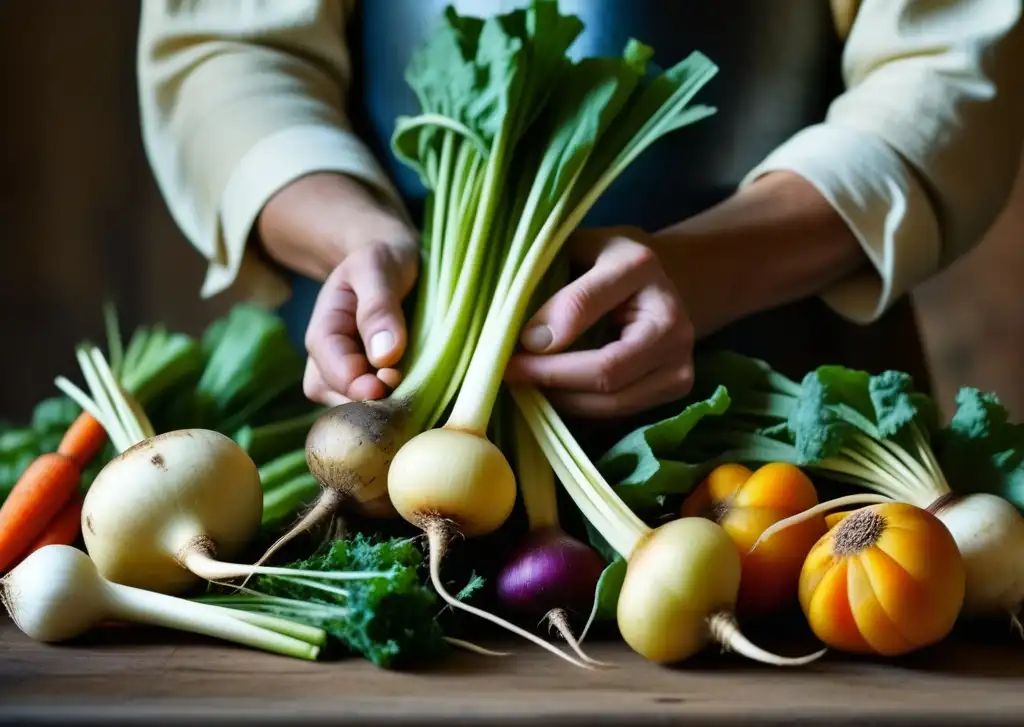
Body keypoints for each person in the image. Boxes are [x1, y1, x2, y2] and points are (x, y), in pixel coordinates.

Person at [137, 0, 1023, 424]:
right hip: (374, 410)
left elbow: (947, 68)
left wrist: (700, 269)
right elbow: (226, 47)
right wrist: (354, 236)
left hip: (786, 402)